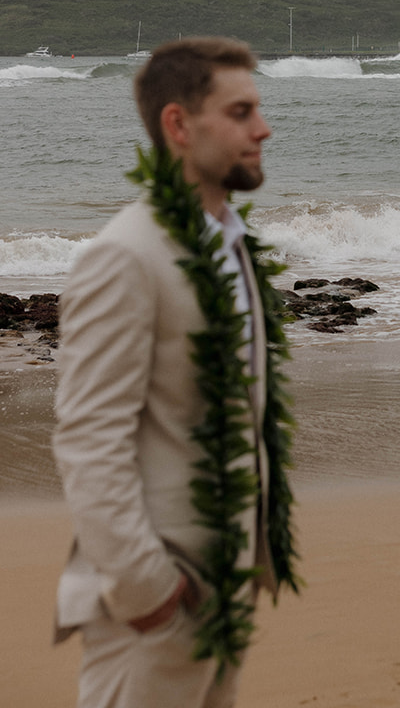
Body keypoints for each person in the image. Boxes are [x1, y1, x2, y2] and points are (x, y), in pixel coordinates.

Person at [53, 37, 299, 708]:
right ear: (178, 125)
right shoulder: (125, 256)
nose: (263, 128)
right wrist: (148, 592)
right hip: (160, 599)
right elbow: (87, 438)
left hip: (219, 580)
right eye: (241, 111)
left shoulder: (228, 241)